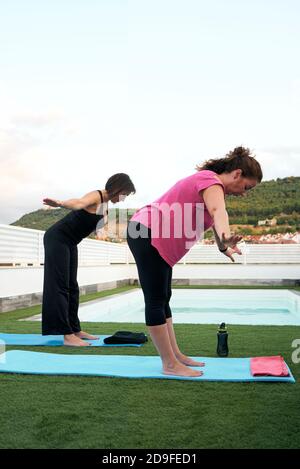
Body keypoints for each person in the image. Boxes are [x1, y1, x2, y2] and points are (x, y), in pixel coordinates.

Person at [127, 147, 262, 377]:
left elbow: (214, 220)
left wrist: (222, 246)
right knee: (156, 299)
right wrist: (226, 235)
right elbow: (219, 211)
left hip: (154, 237)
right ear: (237, 174)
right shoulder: (210, 181)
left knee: (163, 297)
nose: (244, 193)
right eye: (246, 187)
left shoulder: (210, 186)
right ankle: (169, 364)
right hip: (146, 231)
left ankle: (175, 356)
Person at [42, 173, 136, 346]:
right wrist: (60, 203)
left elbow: (99, 229)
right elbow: (78, 203)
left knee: (72, 286)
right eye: (124, 195)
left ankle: (75, 329)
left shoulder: (106, 207)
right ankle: (67, 335)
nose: (123, 199)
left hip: (70, 242)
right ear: (118, 188)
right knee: (61, 285)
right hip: (57, 238)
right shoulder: (97, 195)